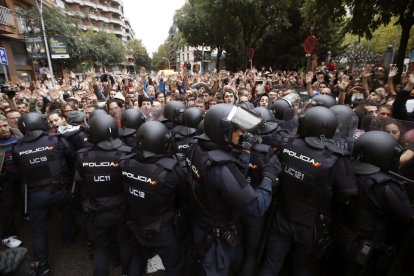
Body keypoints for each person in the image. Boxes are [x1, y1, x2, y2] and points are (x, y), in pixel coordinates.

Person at [260, 106, 357, 276]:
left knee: (272, 263)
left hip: (283, 215)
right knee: (303, 267)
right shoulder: (335, 158)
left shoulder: (288, 144)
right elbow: (346, 194)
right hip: (311, 225)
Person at [185, 104, 281, 275]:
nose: (242, 133)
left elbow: (231, 179)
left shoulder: (195, 147)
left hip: (201, 223)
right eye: (237, 129)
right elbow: (256, 207)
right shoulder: (222, 167)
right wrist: (268, 177)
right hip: (216, 238)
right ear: (223, 132)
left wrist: (244, 151)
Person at [331, 131, 414, 276]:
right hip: (364, 248)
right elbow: (407, 215)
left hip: (339, 235)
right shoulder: (383, 185)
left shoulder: (346, 168)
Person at [12, 112, 77, 276]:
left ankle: (42, 266)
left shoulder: (17, 147)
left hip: (36, 195)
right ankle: (68, 239)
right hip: (60, 190)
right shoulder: (56, 140)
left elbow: (20, 170)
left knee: (38, 231)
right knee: (67, 212)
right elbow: (72, 158)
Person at [121, 121, 187, 275]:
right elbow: (185, 194)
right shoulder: (171, 172)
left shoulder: (125, 164)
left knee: (137, 259)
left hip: (137, 223)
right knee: (174, 266)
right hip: (162, 228)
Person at [75, 114, 133, 276]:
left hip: (96, 209)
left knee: (101, 248)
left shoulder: (82, 155)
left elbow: (82, 181)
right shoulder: (126, 152)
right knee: (124, 242)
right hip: (121, 208)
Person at [0, 115, 22, 249]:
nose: (3, 129)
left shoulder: (21, 137)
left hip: (22, 174)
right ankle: (8, 235)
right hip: (5, 177)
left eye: (4, 125)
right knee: (7, 205)